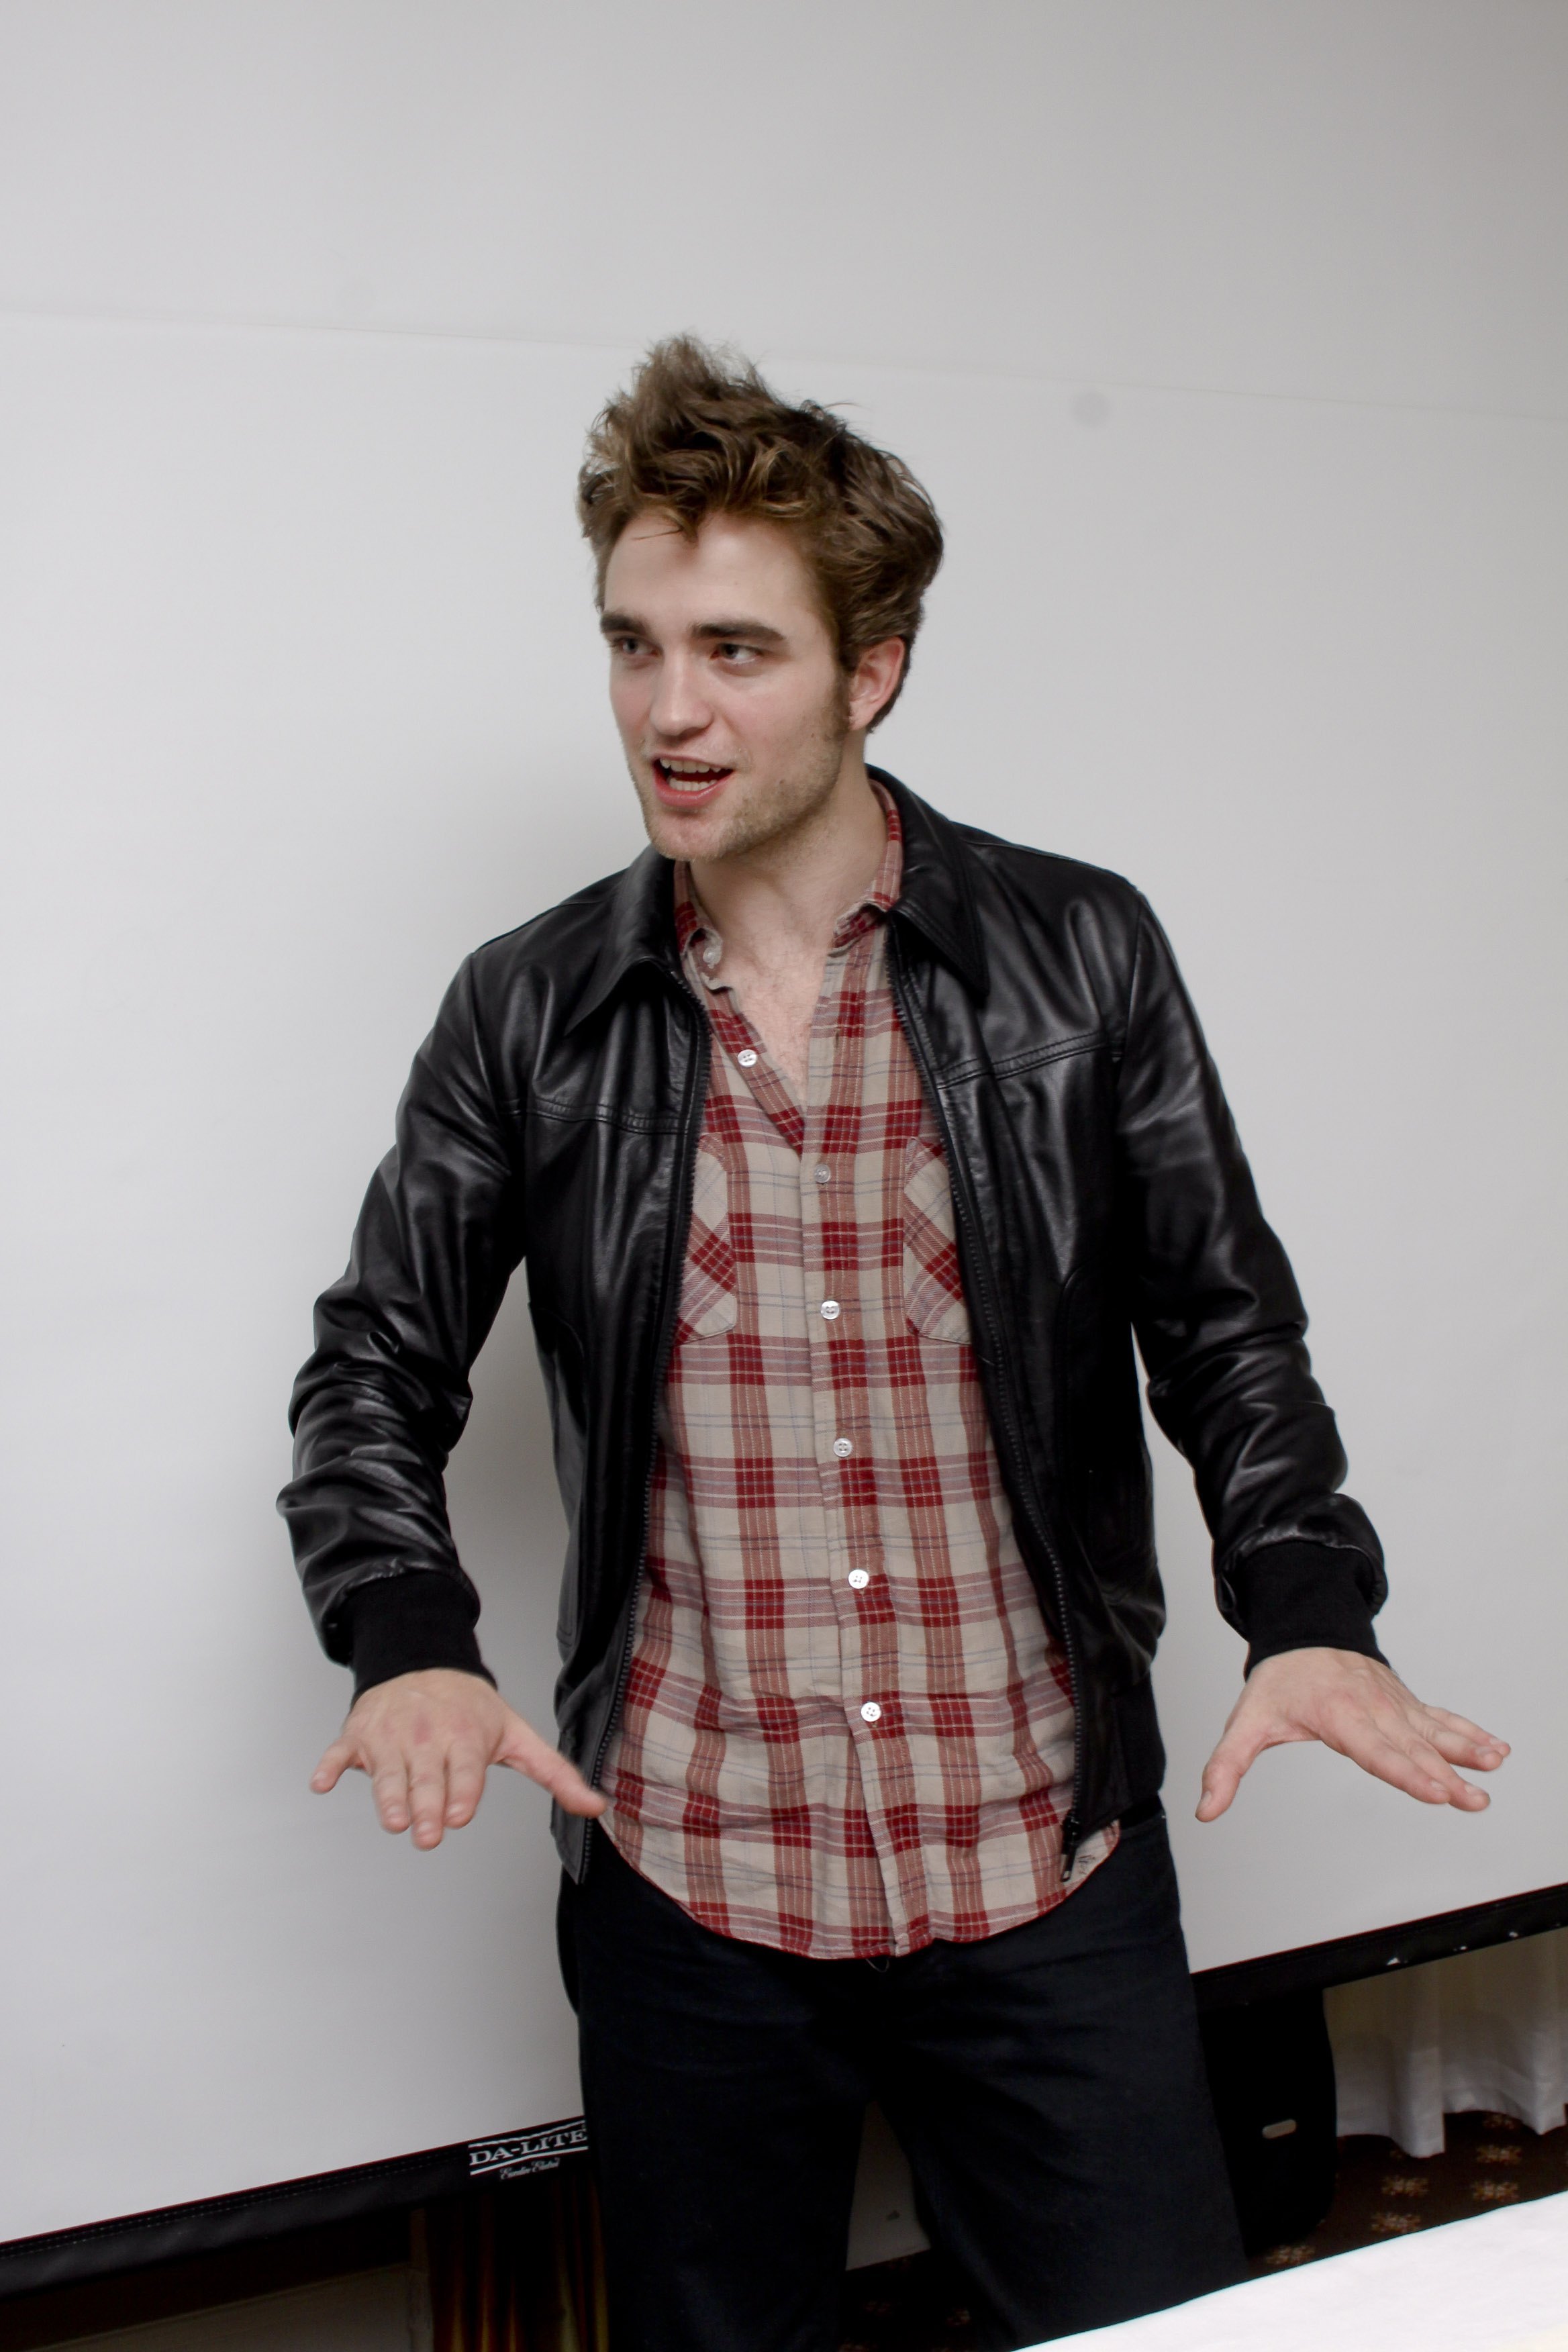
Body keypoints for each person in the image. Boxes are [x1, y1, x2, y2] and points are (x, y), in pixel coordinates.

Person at [280, 338, 1508, 2351]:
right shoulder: (527, 1008)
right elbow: (371, 1376)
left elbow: (1227, 1333)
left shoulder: (1079, 953)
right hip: (692, 1890)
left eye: (738, 652)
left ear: (875, 671)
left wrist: (1307, 1604)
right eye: (633, 645)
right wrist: (407, 1639)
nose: (669, 712)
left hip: (1040, 1866)